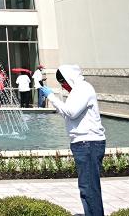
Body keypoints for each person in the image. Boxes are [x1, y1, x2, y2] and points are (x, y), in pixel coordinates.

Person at [40, 65, 106, 216]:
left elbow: (71, 112)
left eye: (63, 82)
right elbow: (68, 115)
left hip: (88, 143)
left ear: (70, 78)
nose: (63, 86)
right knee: (86, 187)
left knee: (89, 188)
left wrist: (51, 97)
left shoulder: (83, 89)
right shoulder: (77, 91)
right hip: (83, 143)